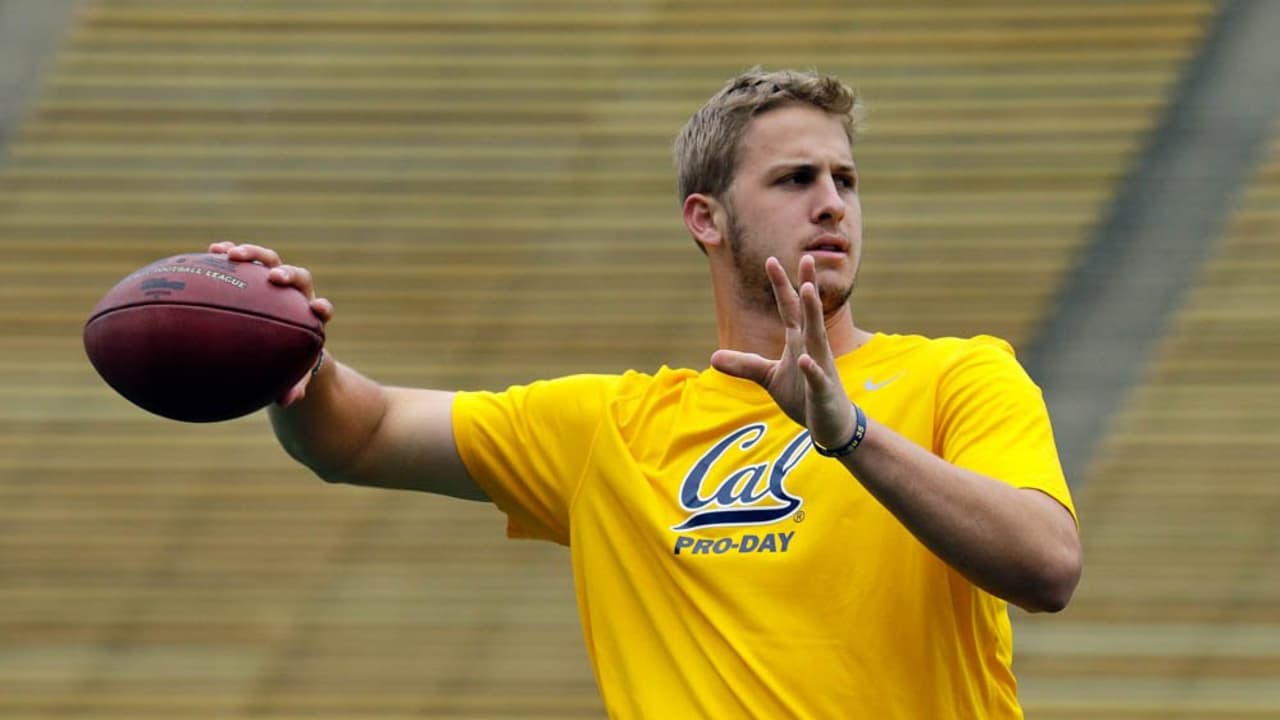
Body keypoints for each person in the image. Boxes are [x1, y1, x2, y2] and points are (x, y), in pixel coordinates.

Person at [210, 67, 1081, 719]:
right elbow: (359, 435)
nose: (832, 205)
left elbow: (1046, 569)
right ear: (705, 218)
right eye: (795, 180)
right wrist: (290, 358)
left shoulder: (960, 374)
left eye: (844, 181)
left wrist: (849, 434)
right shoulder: (615, 427)